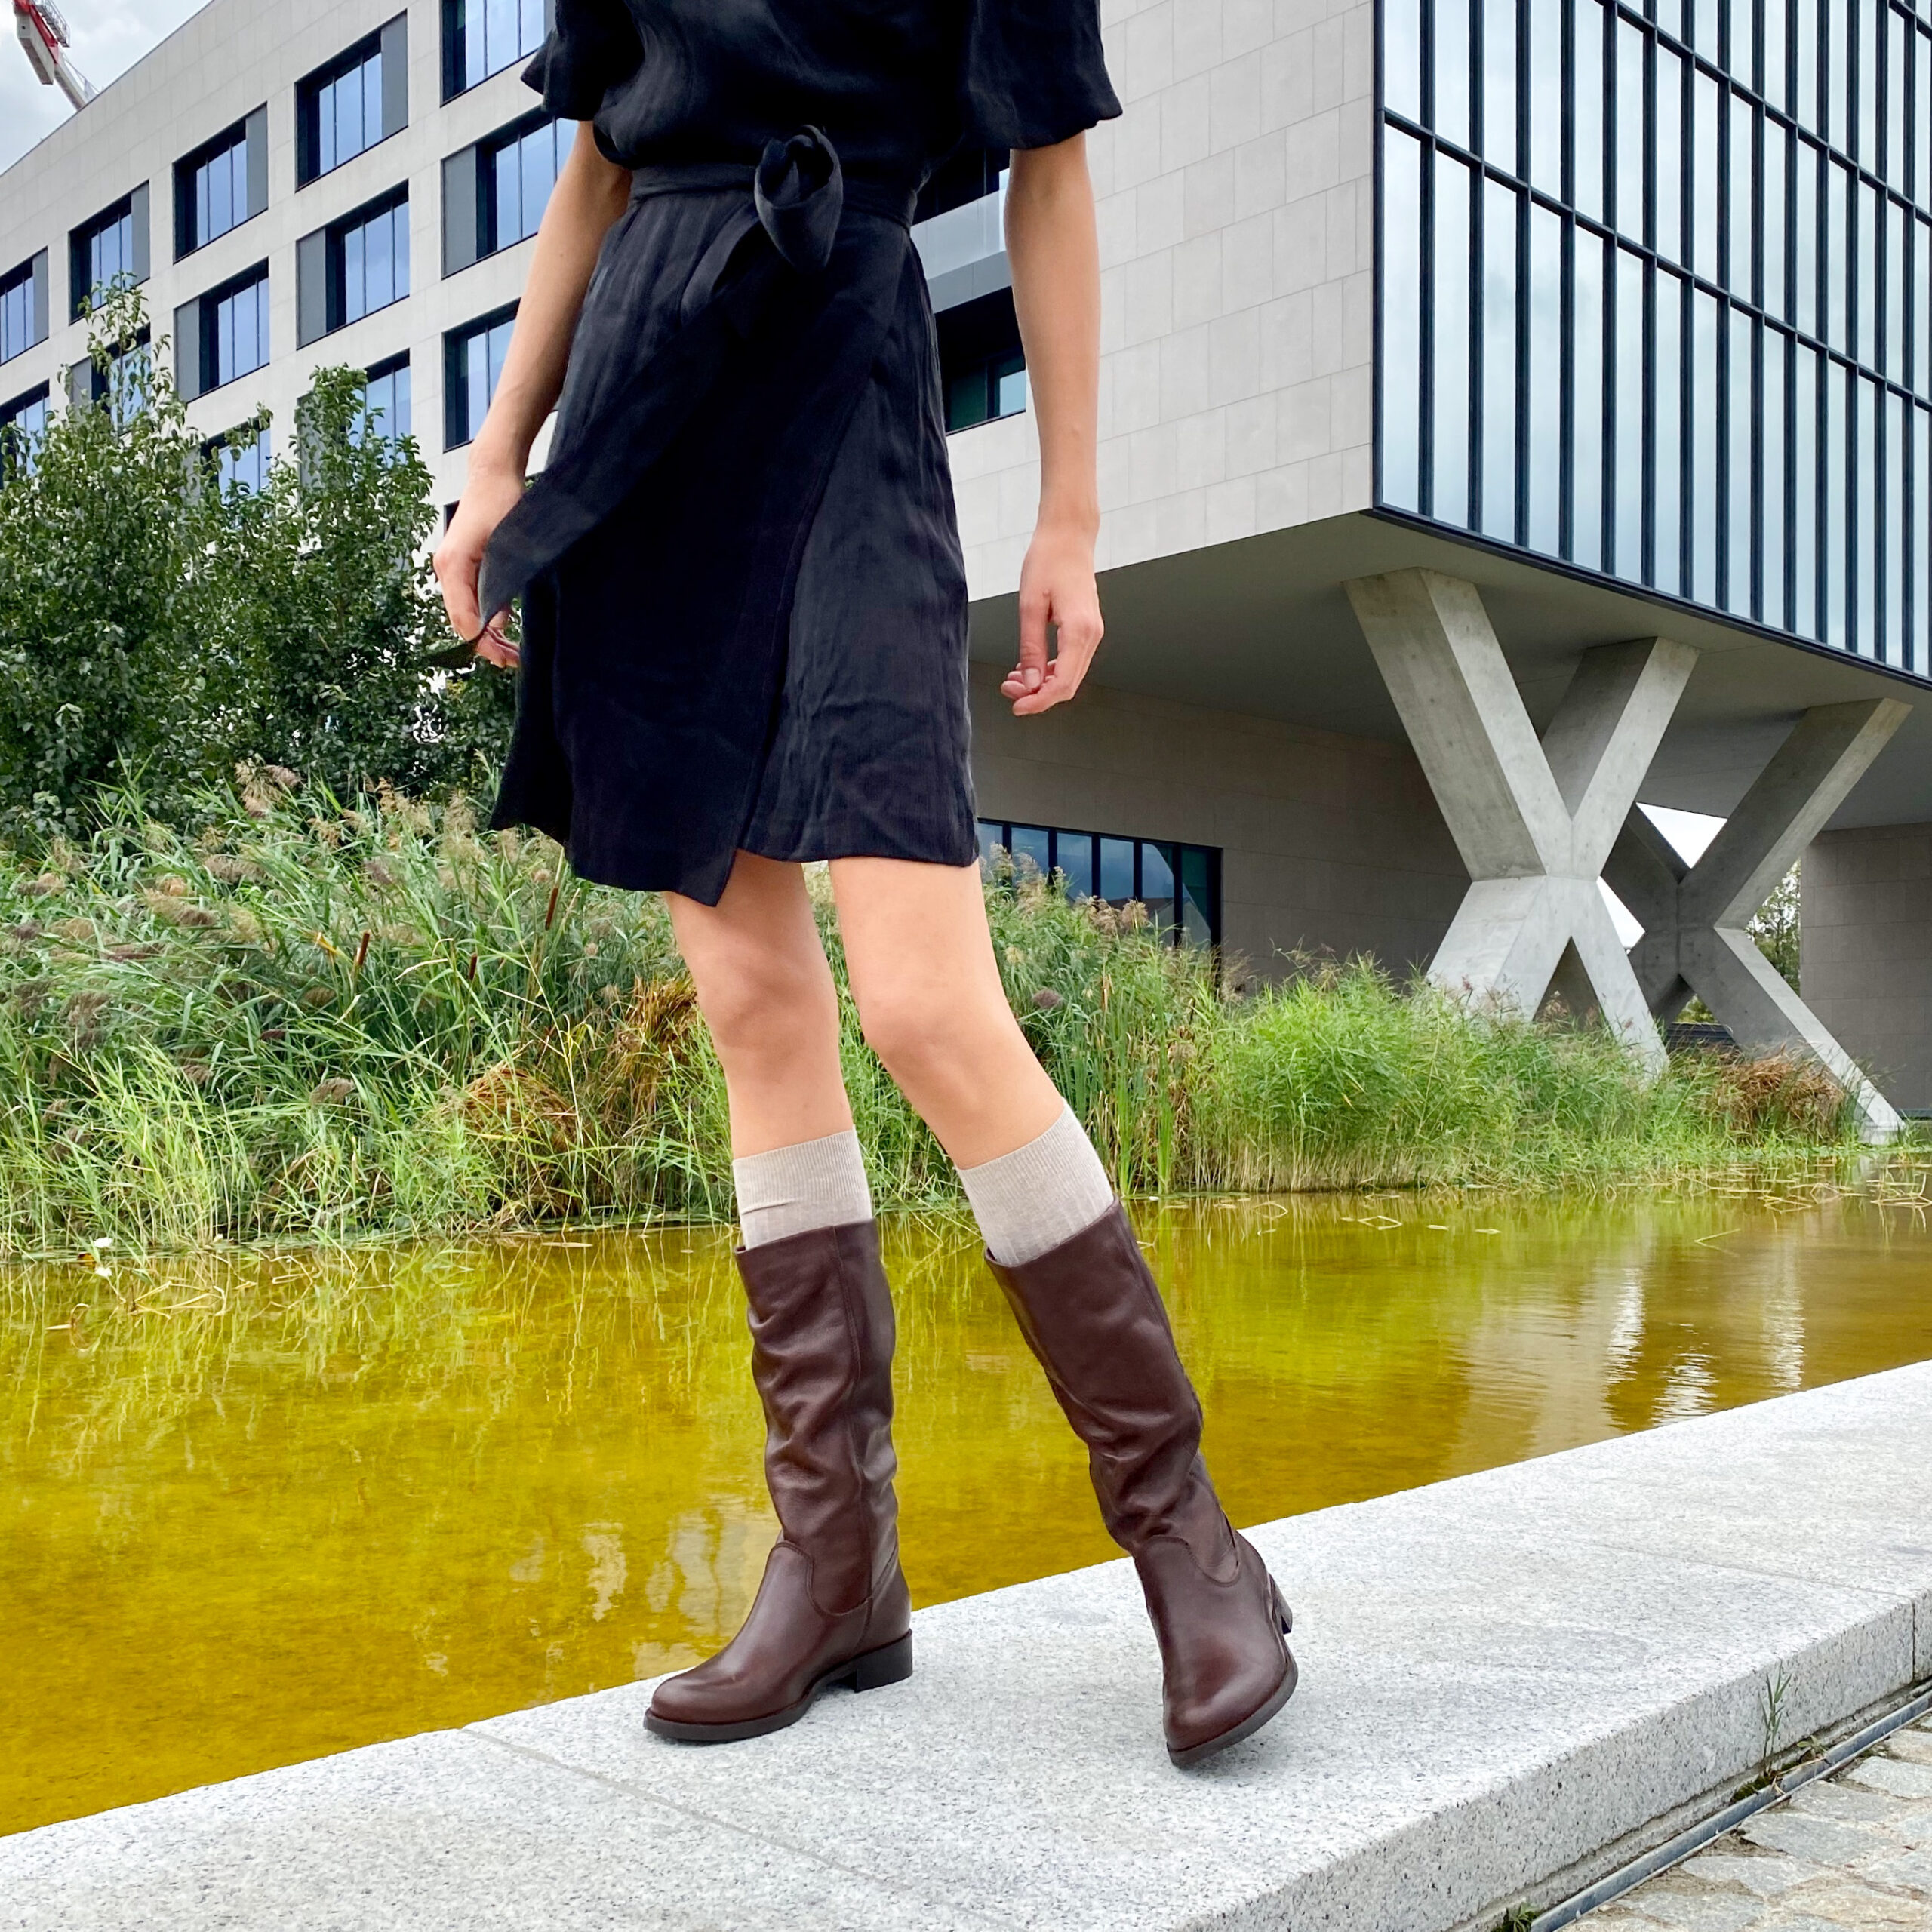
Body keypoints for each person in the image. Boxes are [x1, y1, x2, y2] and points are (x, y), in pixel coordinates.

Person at [433, 0, 1296, 1770]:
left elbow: (1047, 173)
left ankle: (1188, 1537)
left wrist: (1069, 514)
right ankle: (836, 1563)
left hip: (845, 368)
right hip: (645, 406)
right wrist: (502, 455)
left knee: (920, 1000)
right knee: (752, 1002)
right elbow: (593, 165)